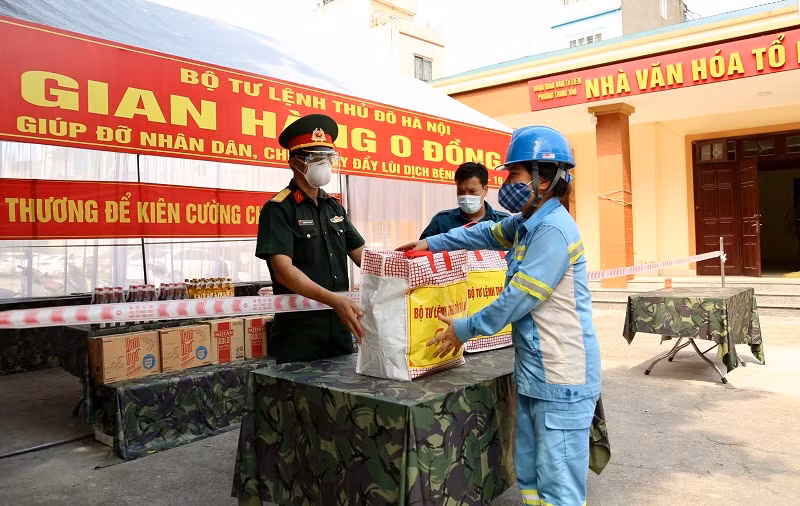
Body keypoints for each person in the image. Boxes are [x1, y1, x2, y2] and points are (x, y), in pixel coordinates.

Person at [398, 126, 602, 506]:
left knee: (558, 484)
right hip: (537, 370)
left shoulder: (552, 230)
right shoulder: (527, 222)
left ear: (544, 179)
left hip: (562, 373)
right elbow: (484, 234)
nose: (507, 184)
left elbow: (518, 298)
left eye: (514, 175)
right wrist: (430, 242)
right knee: (531, 473)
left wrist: (465, 329)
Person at [255, 114, 365, 364]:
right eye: (316, 159)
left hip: (339, 329)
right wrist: (333, 299)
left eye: (328, 158)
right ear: (294, 163)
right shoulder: (278, 209)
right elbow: (283, 271)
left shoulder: (334, 207)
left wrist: (401, 266)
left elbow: (362, 255)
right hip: (299, 334)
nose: (324, 164)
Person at [419, 162, 509, 240]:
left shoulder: (503, 222)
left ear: (485, 190)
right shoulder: (441, 221)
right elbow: (421, 250)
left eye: (472, 191)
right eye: (461, 191)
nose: (466, 196)